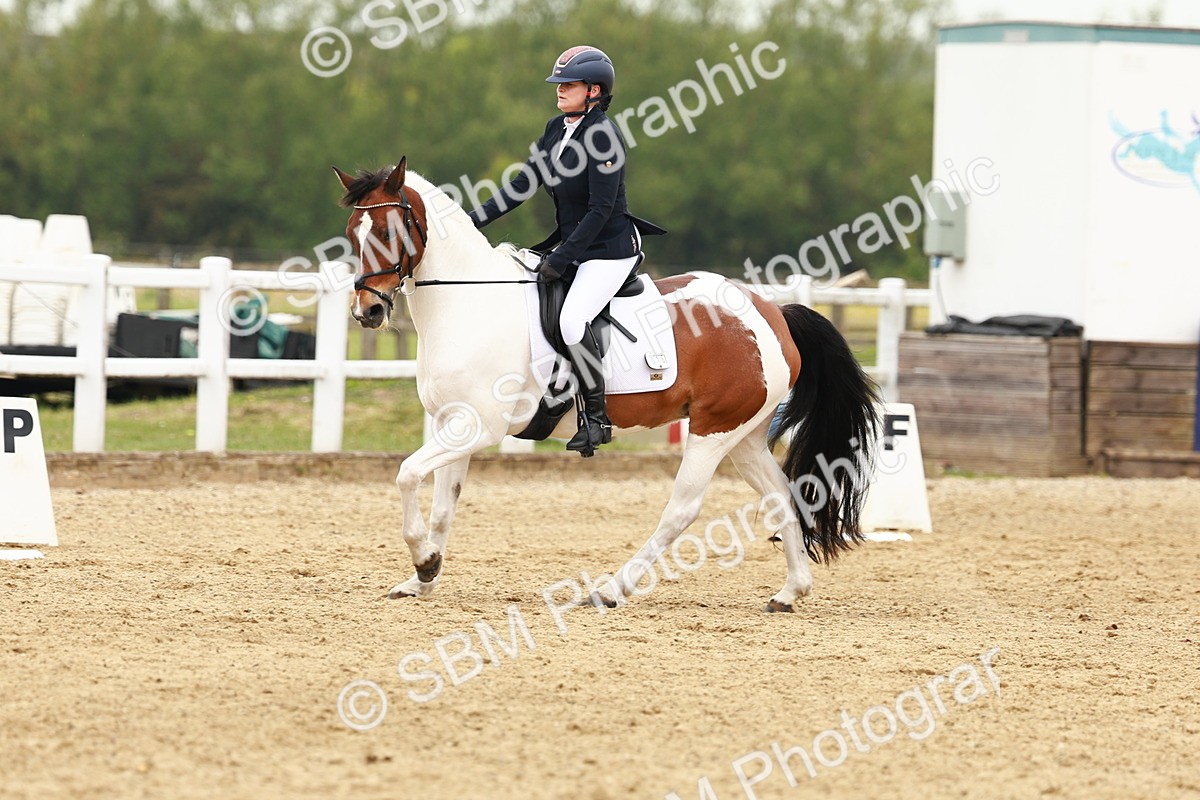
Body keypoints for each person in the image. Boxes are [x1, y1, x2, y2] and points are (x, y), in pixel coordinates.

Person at [469, 45, 665, 456]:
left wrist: (560, 258)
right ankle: (557, 387)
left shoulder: (605, 138)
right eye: (558, 84)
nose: (559, 91)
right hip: (574, 245)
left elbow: (601, 209)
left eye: (569, 84)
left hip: (609, 249)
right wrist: (469, 221)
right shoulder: (556, 128)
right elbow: (521, 186)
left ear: (594, 91)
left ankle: (596, 419)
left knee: (574, 319)